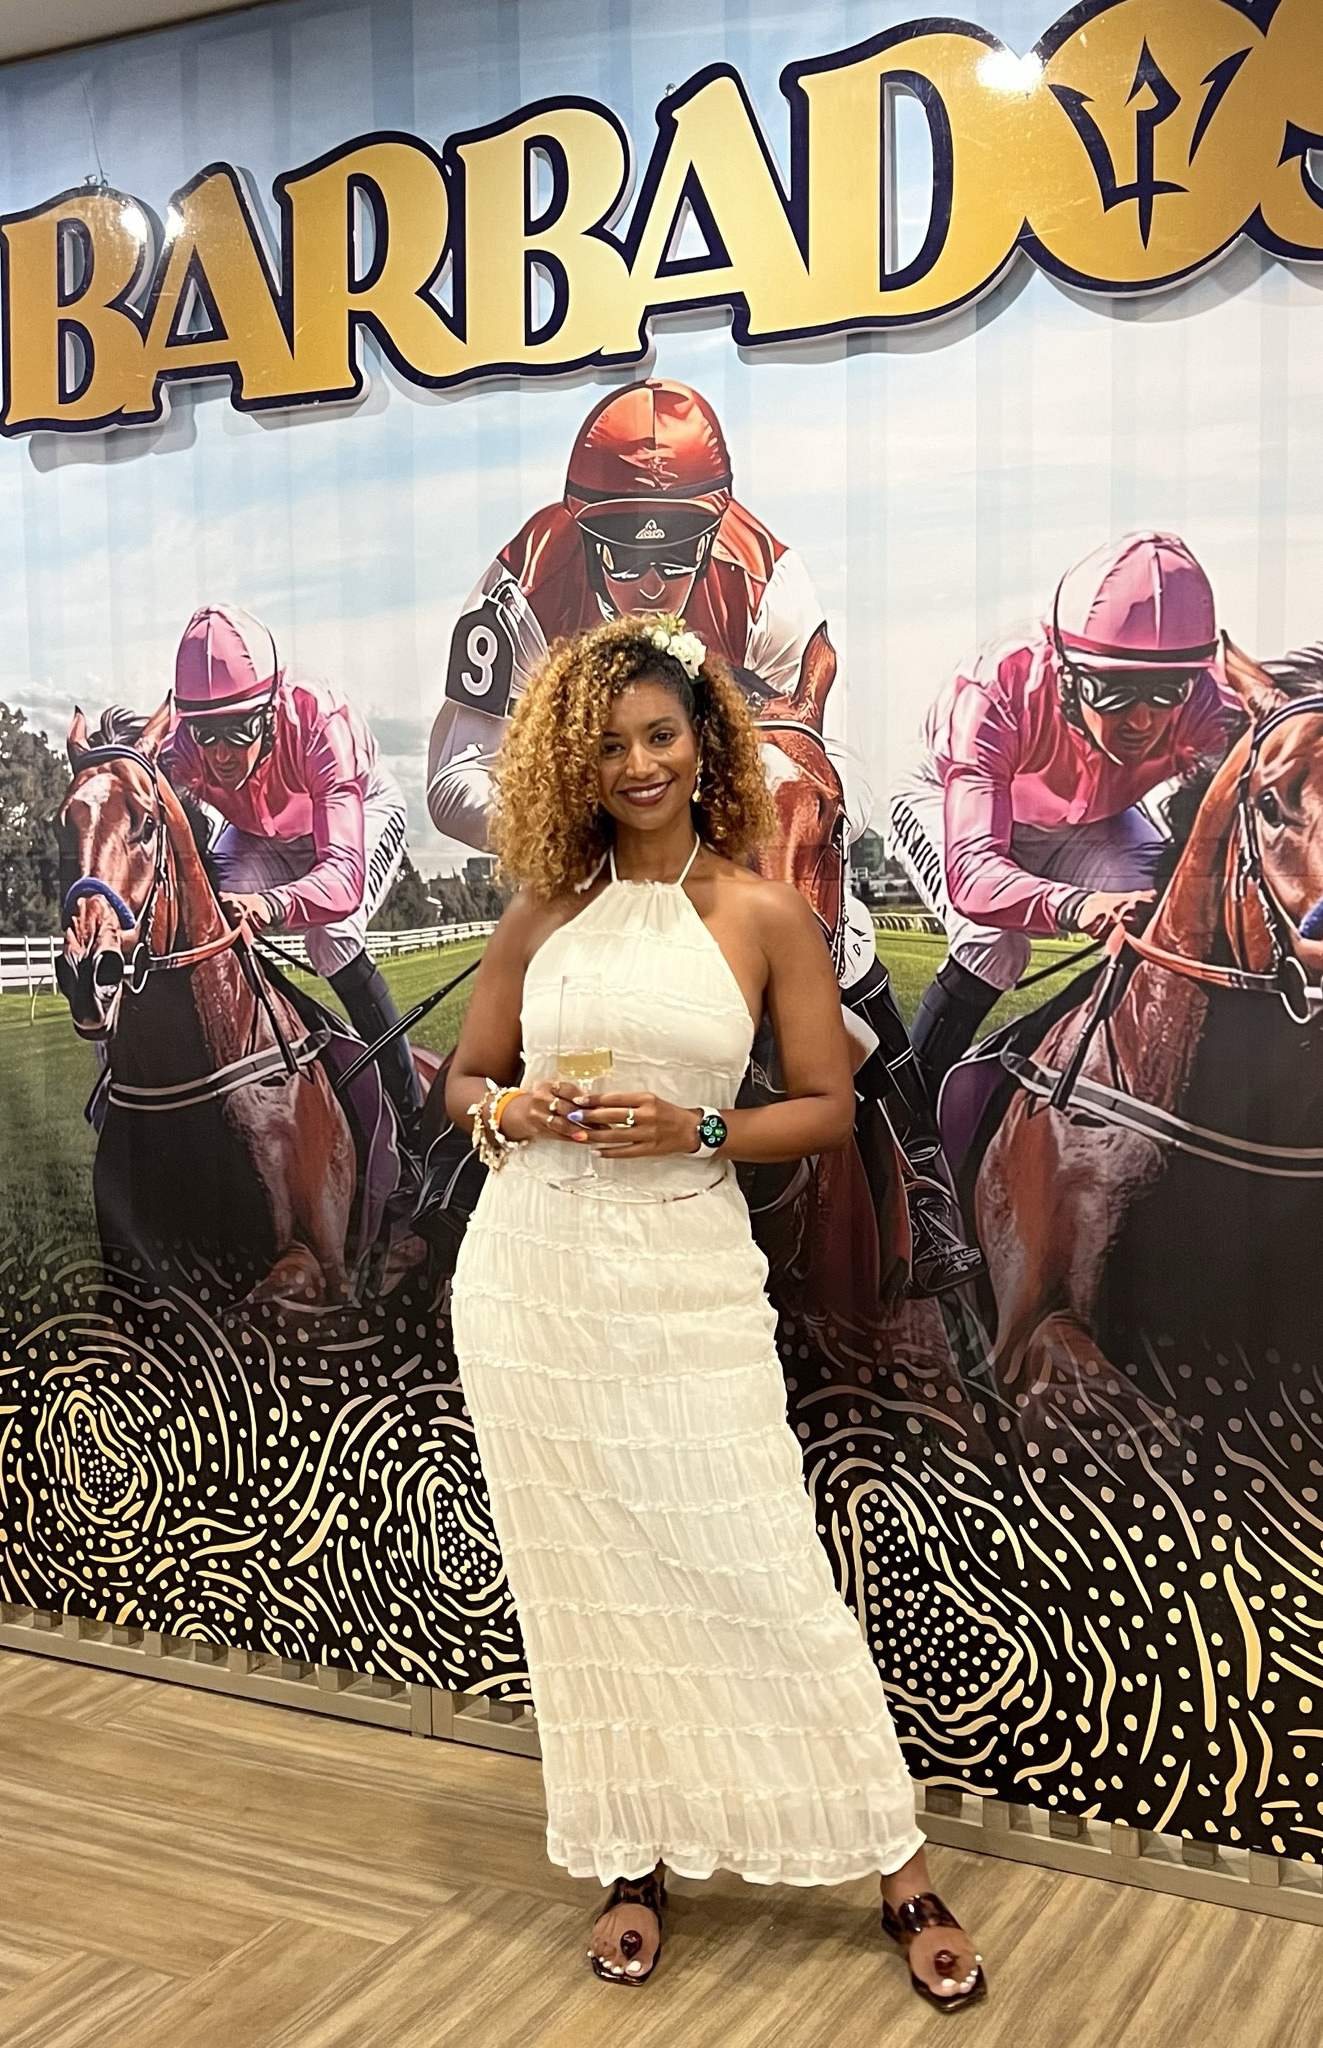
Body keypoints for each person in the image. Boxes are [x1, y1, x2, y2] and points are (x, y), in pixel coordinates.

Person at [443, 613, 985, 2010]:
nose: (637, 763)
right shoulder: (539, 915)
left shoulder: (759, 914)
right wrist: (505, 1106)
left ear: (705, 747)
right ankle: (633, 1855)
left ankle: (890, 1859)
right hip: (530, 1290)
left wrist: (693, 1128)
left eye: (661, 736)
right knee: (588, 1585)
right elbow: (463, 1080)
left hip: (682, 1282)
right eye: (610, 743)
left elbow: (817, 1107)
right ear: (576, 760)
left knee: (759, 1567)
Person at [427, 377, 980, 1295]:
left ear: (714, 524)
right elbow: (452, 781)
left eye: (676, 553)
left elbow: (815, 759)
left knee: (842, 956)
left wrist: (722, 852)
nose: (650, 584)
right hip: (589, 861)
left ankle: (919, 1184)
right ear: (579, 530)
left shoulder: (770, 579)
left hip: (728, 841)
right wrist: (599, 824)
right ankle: (435, 1200)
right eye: (621, 555)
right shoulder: (520, 580)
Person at [891, 531, 1245, 1101]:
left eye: (1167, 689)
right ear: (1067, 669)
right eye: (1115, 690)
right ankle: (907, 1119)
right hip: (950, 803)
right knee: (993, 942)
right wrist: (1079, 906)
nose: (1143, 721)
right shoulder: (996, 689)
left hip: (1091, 822)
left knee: (1161, 926)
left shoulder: (1208, 702)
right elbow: (974, 878)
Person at [164, 602, 424, 1140]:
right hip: (263, 834)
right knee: (215, 928)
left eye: (238, 730)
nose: (220, 755)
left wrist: (271, 903)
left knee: (328, 935)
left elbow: (343, 879)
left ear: (268, 709)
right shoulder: (183, 748)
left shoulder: (318, 719)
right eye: (205, 733)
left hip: (358, 815)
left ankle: (411, 1112)